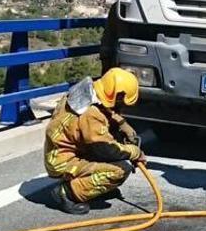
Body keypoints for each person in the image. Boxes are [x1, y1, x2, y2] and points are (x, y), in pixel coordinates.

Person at [44, 68, 145, 214]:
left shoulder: (89, 91)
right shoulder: (91, 114)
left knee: (113, 149)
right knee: (120, 170)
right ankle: (66, 192)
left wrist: (121, 123)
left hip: (62, 151)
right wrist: (134, 152)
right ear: (118, 96)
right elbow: (106, 150)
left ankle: (92, 189)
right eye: (122, 102)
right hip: (62, 161)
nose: (122, 106)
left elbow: (105, 107)